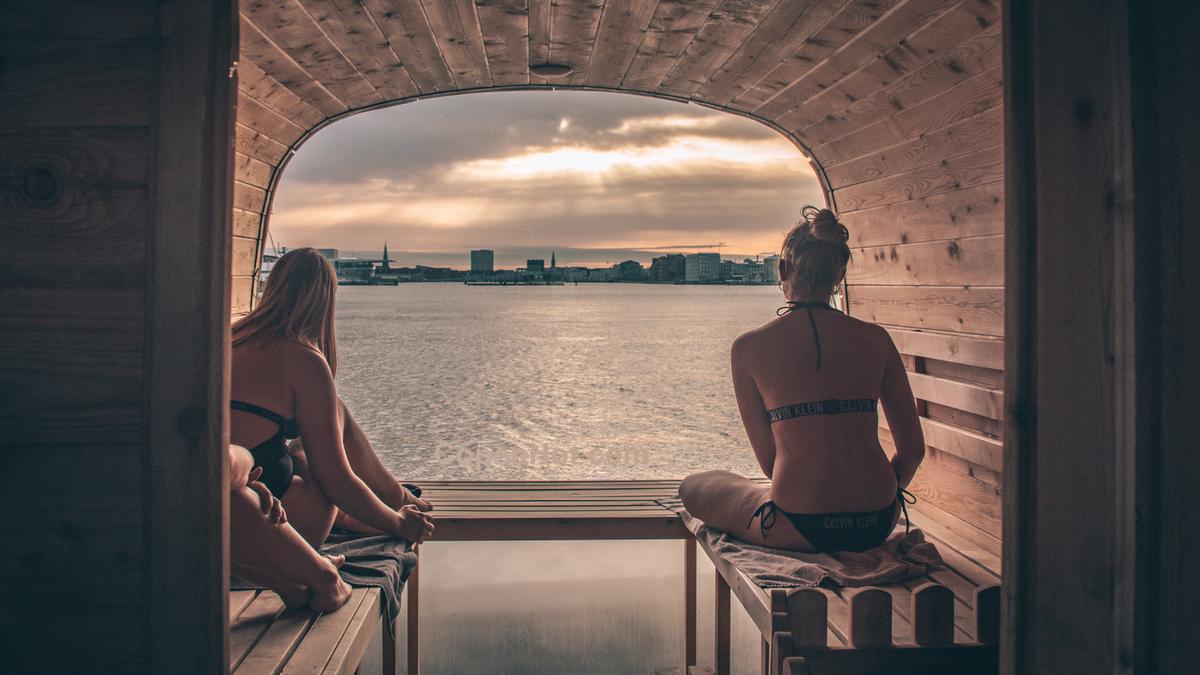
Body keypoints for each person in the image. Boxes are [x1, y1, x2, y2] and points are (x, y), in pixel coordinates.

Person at [679, 207, 925, 553]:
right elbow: (913, 450)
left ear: (781, 270)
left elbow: (771, 465)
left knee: (693, 486)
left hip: (800, 525)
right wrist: (873, 496)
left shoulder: (749, 348)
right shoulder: (876, 339)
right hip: (877, 522)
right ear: (839, 274)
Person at [230, 248, 435, 556]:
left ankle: (386, 500)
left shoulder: (229, 338)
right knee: (315, 447)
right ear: (325, 299)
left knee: (319, 428)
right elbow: (336, 479)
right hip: (275, 529)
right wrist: (397, 523)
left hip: (216, 513)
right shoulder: (303, 359)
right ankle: (395, 498)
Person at [227, 443, 353, 611]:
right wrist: (247, 460)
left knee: (215, 495)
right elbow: (225, 463)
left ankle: (289, 584)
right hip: (299, 524)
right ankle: (327, 578)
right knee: (231, 498)